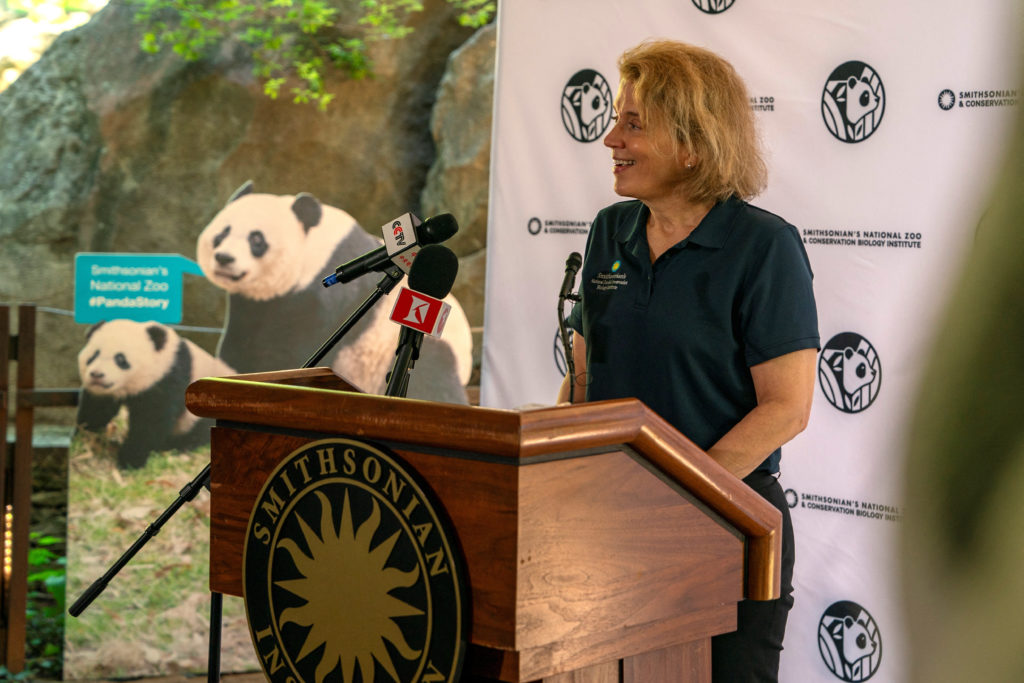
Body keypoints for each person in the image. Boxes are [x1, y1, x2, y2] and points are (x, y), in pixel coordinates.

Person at [557, 39, 819, 681]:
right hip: (609, 522)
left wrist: (678, 499)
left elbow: (786, 407)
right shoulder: (608, 230)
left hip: (726, 528)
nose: (609, 138)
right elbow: (584, 376)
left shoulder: (764, 246)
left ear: (693, 143)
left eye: (632, 123)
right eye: (616, 119)